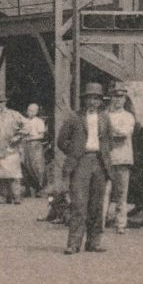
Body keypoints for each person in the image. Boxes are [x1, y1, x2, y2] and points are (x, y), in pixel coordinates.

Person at [55, 82, 113, 254]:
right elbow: (61, 141)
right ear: (84, 100)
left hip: (99, 162)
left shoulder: (105, 118)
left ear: (100, 101)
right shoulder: (74, 117)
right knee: (79, 204)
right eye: (90, 98)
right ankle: (73, 243)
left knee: (97, 205)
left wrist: (104, 154)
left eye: (96, 99)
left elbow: (109, 139)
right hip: (81, 162)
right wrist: (75, 152)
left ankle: (94, 242)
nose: (93, 102)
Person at [104, 84, 136, 233]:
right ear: (111, 98)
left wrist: (110, 132)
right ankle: (101, 222)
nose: (118, 101)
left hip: (123, 158)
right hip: (107, 159)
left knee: (122, 193)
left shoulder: (128, 116)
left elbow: (124, 134)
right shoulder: (104, 115)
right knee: (104, 192)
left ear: (125, 100)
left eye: (121, 97)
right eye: (115, 97)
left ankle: (121, 224)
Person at [0, 97, 28, 204]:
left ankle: (17, 197)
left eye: (0, 102)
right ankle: (7, 197)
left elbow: (27, 125)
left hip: (11, 148)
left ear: (5, 103)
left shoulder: (13, 114)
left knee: (14, 174)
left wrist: (18, 136)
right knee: (2, 175)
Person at [20, 102, 48, 197]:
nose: (29, 112)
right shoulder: (24, 121)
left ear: (36, 112)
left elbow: (41, 135)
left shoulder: (39, 121)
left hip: (35, 145)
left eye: (32, 111)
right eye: (28, 110)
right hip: (25, 145)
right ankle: (28, 188)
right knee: (25, 165)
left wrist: (30, 138)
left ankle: (39, 189)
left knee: (37, 167)